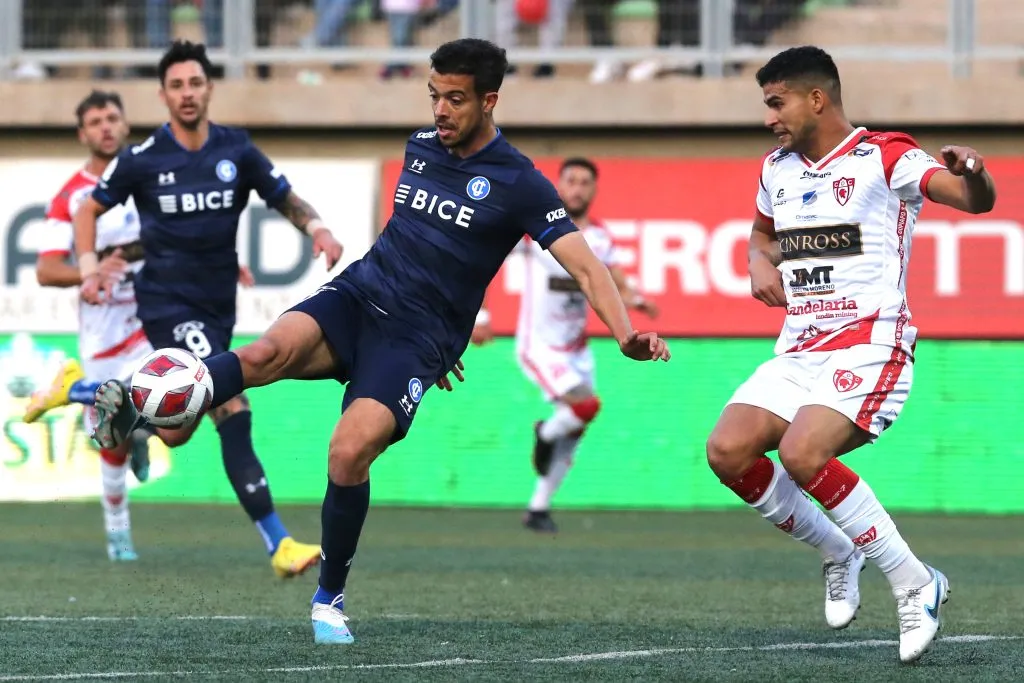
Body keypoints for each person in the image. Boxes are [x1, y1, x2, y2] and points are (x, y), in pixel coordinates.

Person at [85, 38, 670, 646]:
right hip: (358, 296)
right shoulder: (420, 147)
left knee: (347, 451)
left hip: (414, 341)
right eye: (434, 96)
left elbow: (585, 265)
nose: (439, 111)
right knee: (263, 354)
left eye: (455, 99)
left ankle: (329, 596)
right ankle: (140, 405)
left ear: (489, 100)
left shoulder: (520, 182)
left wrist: (623, 331)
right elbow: (411, 239)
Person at [705, 46, 996, 663]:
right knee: (727, 451)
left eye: (775, 103)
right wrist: (760, 263)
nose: (769, 118)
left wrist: (973, 170)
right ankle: (840, 550)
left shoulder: (884, 156)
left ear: (817, 98)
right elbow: (762, 234)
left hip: (870, 342)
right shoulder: (776, 168)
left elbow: (973, 200)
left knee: (802, 452)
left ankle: (916, 581)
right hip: (799, 345)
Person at [72, 40, 341, 579]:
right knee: (232, 405)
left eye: (195, 83)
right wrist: (89, 269)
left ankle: (100, 399)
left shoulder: (236, 151)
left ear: (209, 87)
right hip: (167, 303)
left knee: (179, 427)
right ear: (163, 94)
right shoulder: (144, 159)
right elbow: (88, 208)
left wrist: (317, 228)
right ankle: (279, 544)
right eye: (177, 85)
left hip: (217, 305)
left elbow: (283, 196)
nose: (187, 93)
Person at [472, 157, 659, 533]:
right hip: (539, 346)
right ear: (558, 185)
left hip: (577, 348)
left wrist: (635, 298)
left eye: (584, 182)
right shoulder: (535, 229)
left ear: (594, 190)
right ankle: (544, 433)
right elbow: (482, 262)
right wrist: (481, 316)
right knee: (585, 406)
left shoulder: (600, 238)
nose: (576, 189)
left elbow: (615, 279)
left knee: (575, 429)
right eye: (570, 181)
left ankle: (538, 507)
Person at [27, 90, 157, 561]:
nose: (105, 127)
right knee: (111, 440)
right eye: (95, 121)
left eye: (112, 118)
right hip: (102, 334)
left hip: (152, 320)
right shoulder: (71, 197)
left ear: (125, 125)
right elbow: (46, 270)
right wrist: (91, 272)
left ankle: (142, 426)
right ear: (83, 134)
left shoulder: (149, 176)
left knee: (189, 392)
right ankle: (118, 530)